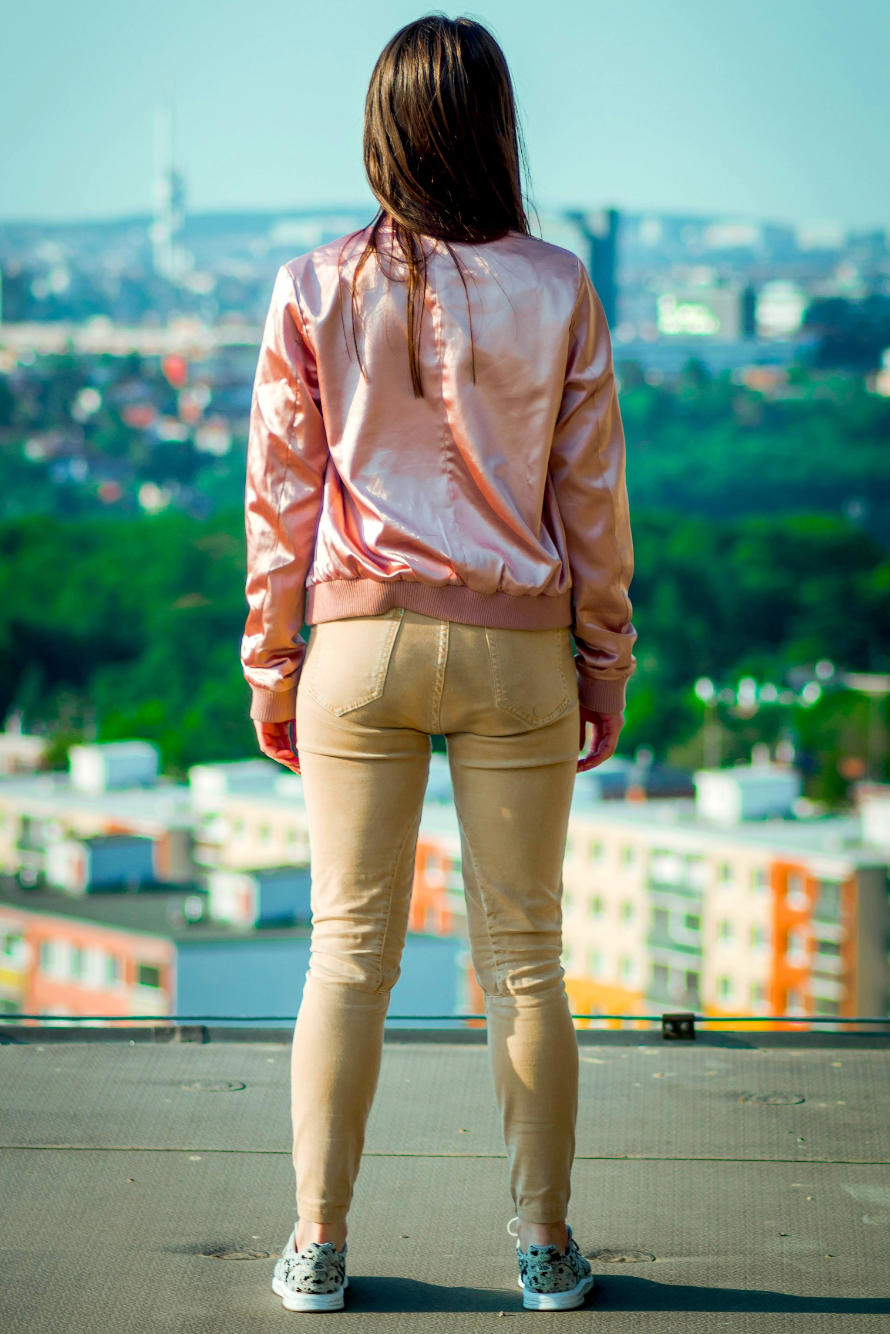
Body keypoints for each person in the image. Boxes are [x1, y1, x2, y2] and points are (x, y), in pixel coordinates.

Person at [240, 13, 636, 1314]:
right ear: (494, 126)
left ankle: (317, 1242)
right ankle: (541, 1245)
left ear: (383, 130)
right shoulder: (560, 283)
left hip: (355, 646)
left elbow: (278, 497)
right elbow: (590, 497)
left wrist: (270, 658)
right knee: (524, 957)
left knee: (346, 956)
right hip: (516, 649)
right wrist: (604, 653)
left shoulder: (311, 284)